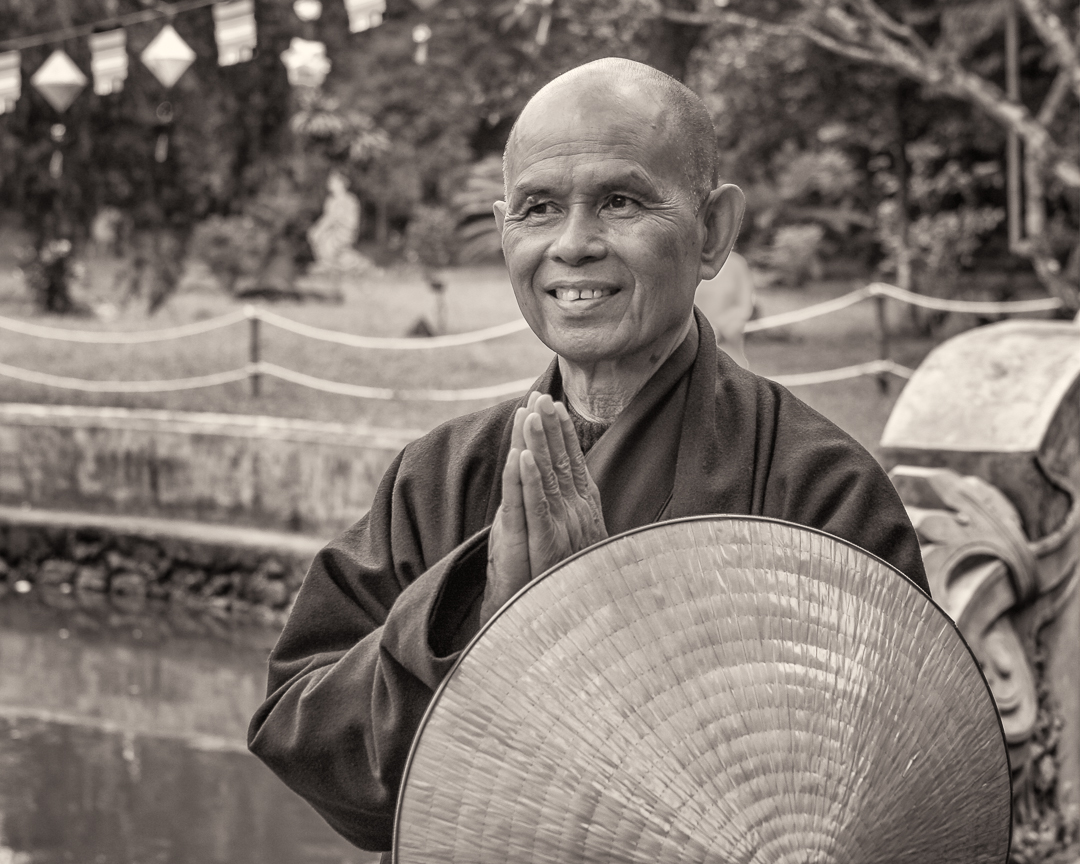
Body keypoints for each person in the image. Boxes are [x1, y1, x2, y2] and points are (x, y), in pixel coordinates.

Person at [247, 58, 928, 858]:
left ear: (712, 232)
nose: (573, 245)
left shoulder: (819, 489)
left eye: (620, 202)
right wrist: (481, 612)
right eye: (539, 209)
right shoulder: (440, 476)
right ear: (505, 230)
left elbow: (882, 801)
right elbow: (310, 743)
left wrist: (584, 633)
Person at [695, 248, 755, 368]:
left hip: (728, 348)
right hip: (694, 345)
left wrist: (717, 328)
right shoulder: (690, 260)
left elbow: (744, 305)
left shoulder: (737, 263)